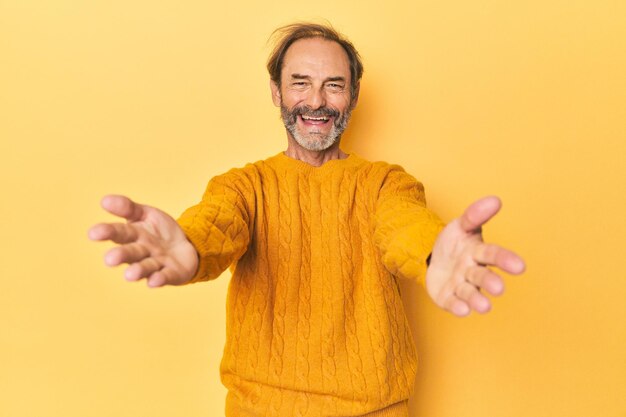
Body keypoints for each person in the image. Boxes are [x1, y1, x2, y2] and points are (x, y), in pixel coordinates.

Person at [89, 23, 525, 417]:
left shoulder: (385, 184)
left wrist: (434, 255)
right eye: (301, 83)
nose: (316, 101)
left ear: (353, 95)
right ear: (277, 93)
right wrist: (190, 247)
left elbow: (404, 225)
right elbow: (217, 223)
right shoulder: (244, 186)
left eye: (333, 85)